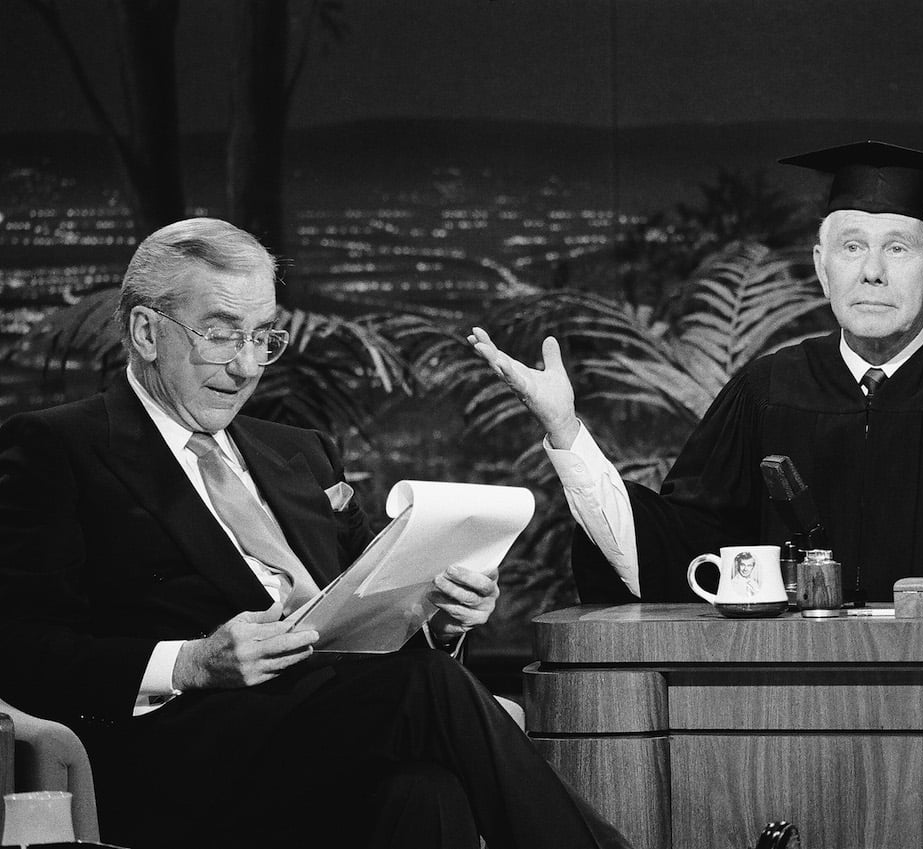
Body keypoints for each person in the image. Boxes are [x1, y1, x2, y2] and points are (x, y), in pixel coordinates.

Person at [0, 218, 631, 849]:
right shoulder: (58, 447)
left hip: (327, 729)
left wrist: (434, 616)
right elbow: (22, 649)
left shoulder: (302, 453)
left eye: (262, 337)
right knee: (426, 687)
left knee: (425, 790)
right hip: (179, 752)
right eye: (220, 336)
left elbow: (368, 603)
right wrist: (191, 663)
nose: (246, 366)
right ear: (145, 331)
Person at [469, 140, 923, 604]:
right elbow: (673, 549)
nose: (871, 271)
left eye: (898, 247)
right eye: (851, 246)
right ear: (820, 267)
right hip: (788, 701)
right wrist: (566, 431)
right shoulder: (768, 390)